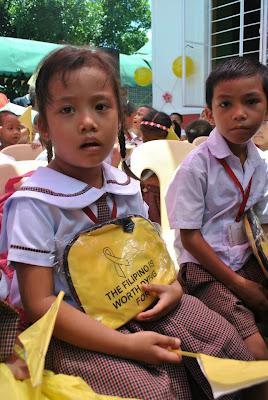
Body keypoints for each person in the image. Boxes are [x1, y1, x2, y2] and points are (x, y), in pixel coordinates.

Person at [0, 46, 261, 400]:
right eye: (67, 109)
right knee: (155, 391)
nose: (88, 121)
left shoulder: (123, 185)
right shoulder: (34, 203)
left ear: (121, 119)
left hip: (140, 303)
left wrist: (173, 288)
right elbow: (40, 304)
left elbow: (150, 256)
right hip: (75, 327)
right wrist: (129, 347)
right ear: (43, 126)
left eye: (101, 107)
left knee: (229, 346)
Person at [166, 57, 268, 368]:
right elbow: (190, 238)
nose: (239, 114)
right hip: (203, 268)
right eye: (226, 104)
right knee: (257, 353)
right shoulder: (197, 167)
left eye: (251, 102)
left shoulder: (258, 162)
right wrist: (241, 286)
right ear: (210, 113)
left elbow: (262, 220)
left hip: (243, 257)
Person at [139, 110, 173, 224]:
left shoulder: (176, 154)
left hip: (166, 205)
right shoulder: (138, 153)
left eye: (156, 141)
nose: (150, 145)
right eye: (146, 140)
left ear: (166, 136)